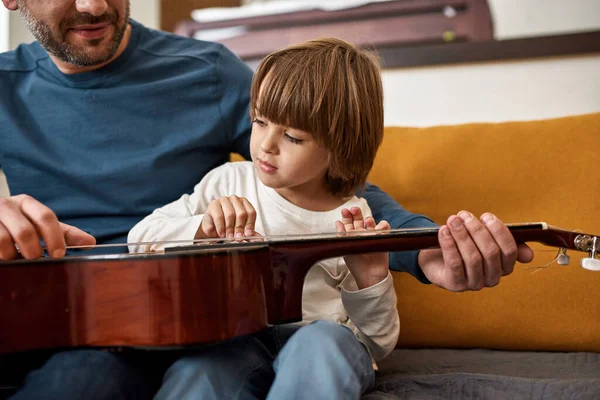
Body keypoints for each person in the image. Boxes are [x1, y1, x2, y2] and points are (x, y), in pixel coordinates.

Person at [0, 0, 533, 398]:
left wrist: (423, 249)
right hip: (64, 329)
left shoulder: (206, 72)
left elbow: (326, 186)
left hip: (195, 322)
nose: (94, 4)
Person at [128, 38, 398, 398]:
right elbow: (138, 239)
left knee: (321, 345)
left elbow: (378, 342)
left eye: (292, 136)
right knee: (200, 371)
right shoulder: (227, 181)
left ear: (340, 148)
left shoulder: (352, 216)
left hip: (321, 340)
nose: (266, 145)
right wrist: (202, 229)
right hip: (239, 343)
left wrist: (371, 280)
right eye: (259, 120)